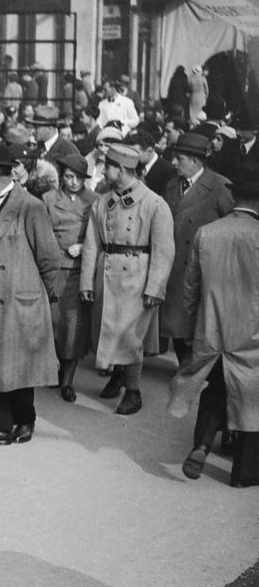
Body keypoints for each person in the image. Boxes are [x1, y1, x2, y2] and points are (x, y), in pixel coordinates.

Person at [0, 142, 63, 447]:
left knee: (8, 362)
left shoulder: (28, 205)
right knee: (6, 362)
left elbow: (49, 257)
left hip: (16, 299)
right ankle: (21, 421)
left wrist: (44, 297)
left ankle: (1, 426)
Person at [170, 176, 259, 486]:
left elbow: (190, 289)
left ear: (236, 198)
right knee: (251, 396)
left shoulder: (207, 233)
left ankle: (202, 445)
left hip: (211, 330)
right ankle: (243, 473)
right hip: (252, 336)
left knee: (217, 388)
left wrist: (188, 328)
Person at [80, 143, 175, 415]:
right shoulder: (103, 201)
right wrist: (87, 282)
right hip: (107, 272)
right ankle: (118, 376)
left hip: (137, 276)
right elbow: (91, 243)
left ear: (121, 169)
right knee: (109, 329)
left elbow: (164, 250)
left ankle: (133, 391)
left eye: (107, 165)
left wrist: (156, 287)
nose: (103, 169)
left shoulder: (154, 203)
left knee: (131, 336)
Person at [159, 132, 234, 363]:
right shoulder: (172, 185)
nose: (173, 163)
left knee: (196, 326)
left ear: (195, 161)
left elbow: (232, 226)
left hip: (202, 269)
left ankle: (195, 375)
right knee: (177, 327)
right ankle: (185, 370)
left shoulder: (219, 186)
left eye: (178, 159)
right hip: (173, 267)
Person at [41, 149, 97, 401]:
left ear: (85, 179)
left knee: (75, 325)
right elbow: (42, 231)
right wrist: (55, 247)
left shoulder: (95, 200)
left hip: (79, 270)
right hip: (55, 267)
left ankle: (68, 381)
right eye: (68, 176)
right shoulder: (48, 199)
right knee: (54, 323)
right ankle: (54, 369)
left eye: (78, 178)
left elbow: (100, 235)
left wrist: (84, 245)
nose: (72, 182)